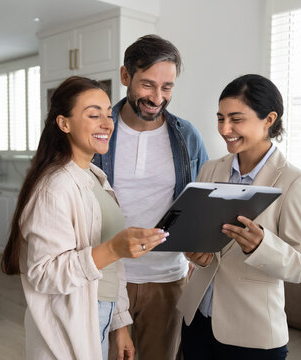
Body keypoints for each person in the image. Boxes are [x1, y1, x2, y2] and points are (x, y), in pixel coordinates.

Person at [1, 76, 169, 360]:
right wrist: (114, 248)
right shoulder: (55, 186)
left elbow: (111, 266)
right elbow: (44, 274)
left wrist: (120, 325)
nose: (107, 123)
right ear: (64, 123)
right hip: (73, 321)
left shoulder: (94, 176)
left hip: (101, 311)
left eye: (108, 114)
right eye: (94, 115)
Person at [177, 74, 301, 360]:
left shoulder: (294, 181)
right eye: (220, 118)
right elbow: (200, 238)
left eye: (236, 119)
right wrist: (196, 254)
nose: (225, 129)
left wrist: (261, 245)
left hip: (252, 333)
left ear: (269, 119)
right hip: (198, 320)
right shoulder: (210, 170)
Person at [93, 35, 208, 360]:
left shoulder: (187, 137)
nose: (157, 97)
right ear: (125, 76)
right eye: (148, 85)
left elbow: (200, 201)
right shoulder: (99, 131)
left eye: (167, 87)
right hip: (107, 276)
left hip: (167, 279)